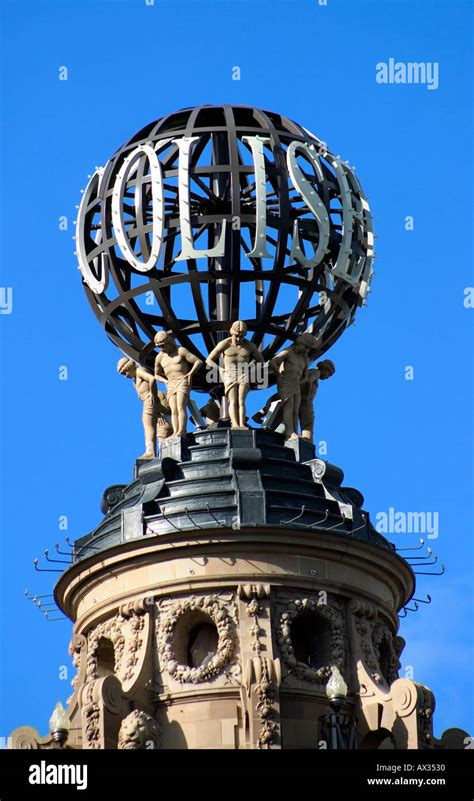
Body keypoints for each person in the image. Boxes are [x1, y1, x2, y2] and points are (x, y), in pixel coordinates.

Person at [206, 320, 265, 429]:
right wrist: (220, 369)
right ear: (232, 333)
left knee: (241, 400)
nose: (238, 339)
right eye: (236, 336)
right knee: (233, 400)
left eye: (241, 336)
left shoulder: (249, 345)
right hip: (229, 373)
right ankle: (235, 424)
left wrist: (251, 369)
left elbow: (261, 361)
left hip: (243, 374)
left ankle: (241, 424)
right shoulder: (224, 344)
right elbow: (209, 360)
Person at [117, 357, 171, 458]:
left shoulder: (139, 371)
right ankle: (151, 451)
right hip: (147, 401)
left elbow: (152, 379)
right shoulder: (135, 379)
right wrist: (158, 413)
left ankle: (150, 452)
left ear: (129, 367)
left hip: (149, 400)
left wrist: (153, 394)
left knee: (148, 425)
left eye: (125, 372)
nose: (125, 376)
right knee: (148, 424)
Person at [269, 333, 319, 440]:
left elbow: (305, 376)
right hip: (286, 382)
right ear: (300, 343)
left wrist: (299, 381)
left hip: (295, 384)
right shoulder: (289, 352)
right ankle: (289, 433)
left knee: (295, 410)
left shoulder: (304, 359)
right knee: (289, 407)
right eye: (305, 347)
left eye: (309, 349)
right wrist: (279, 375)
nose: (307, 350)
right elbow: (273, 362)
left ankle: (294, 432)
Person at [154, 331, 203, 437]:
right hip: (170, 383)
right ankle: (176, 432)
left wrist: (190, 373)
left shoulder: (181, 351)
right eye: (159, 347)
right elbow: (156, 375)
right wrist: (165, 381)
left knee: (180, 406)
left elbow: (198, 361)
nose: (162, 349)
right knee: (174, 409)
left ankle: (182, 430)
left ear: (169, 342)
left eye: (163, 346)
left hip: (182, 381)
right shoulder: (160, 357)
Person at [299, 360, 335, 441]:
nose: (328, 377)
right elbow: (308, 381)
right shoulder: (316, 372)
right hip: (305, 401)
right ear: (325, 369)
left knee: (307, 420)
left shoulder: (313, 372)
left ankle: (307, 439)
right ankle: (307, 439)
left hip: (304, 399)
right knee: (308, 421)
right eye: (329, 374)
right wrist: (307, 396)